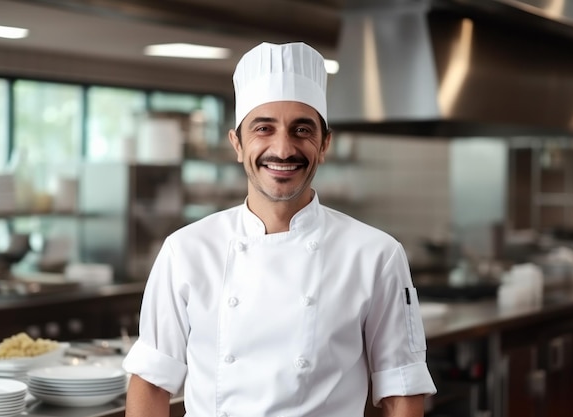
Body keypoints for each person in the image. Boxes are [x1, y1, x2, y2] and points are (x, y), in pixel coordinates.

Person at [122, 41, 437, 417]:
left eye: (302, 129)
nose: (283, 149)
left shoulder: (376, 255)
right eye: (263, 129)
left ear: (324, 145)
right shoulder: (186, 250)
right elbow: (152, 382)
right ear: (237, 144)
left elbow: (402, 391)